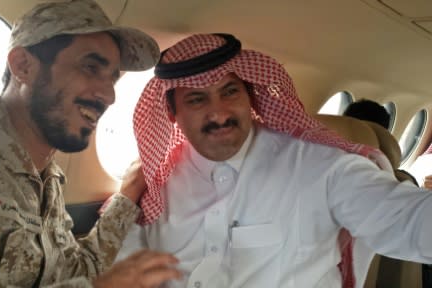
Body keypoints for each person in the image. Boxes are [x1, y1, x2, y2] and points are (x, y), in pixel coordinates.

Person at [117, 33, 432, 287]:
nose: (219, 112)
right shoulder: (155, 180)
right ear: (173, 113)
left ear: (250, 96)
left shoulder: (321, 166)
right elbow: (124, 263)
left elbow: (407, 220)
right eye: (197, 99)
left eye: (230, 92)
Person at [0, 0, 181, 287]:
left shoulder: (47, 181)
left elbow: (78, 271)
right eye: (91, 68)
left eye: (112, 78)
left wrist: (128, 194)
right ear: (23, 66)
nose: (108, 96)